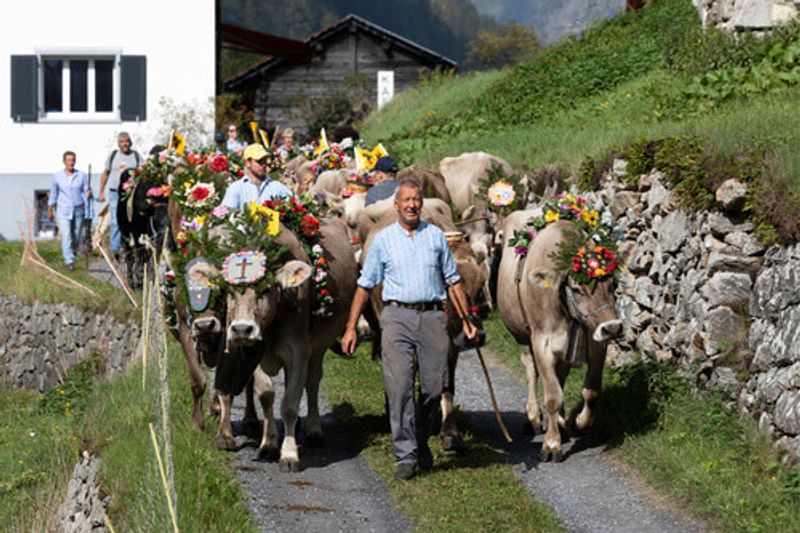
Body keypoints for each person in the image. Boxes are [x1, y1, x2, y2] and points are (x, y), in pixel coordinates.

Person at [341, 178, 478, 480]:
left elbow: (452, 279)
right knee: (400, 386)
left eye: (417, 200)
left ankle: (419, 436)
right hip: (396, 316)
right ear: (397, 204)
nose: (413, 205)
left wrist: (467, 320)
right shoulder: (383, 240)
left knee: (432, 387)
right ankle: (406, 454)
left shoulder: (437, 238)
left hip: (432, 317)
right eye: (407, 200)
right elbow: (365, 285)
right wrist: (351, 327)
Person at [98, 132, 142, 258]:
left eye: (127, 141)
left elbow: (143, 171)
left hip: (132, 194)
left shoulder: (136, 156)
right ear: (118, 143)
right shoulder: (113, 156)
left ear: (130, 142)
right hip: (115, 194)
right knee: (116, 221)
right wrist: (101, 192)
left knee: (133, 220)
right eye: (122, 142)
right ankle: (115, 250)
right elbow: (105, 174)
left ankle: (132, 247)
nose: (125, 144)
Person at [48, 151, 92, 270]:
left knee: (76, 236)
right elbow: (54, 193)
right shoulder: (57, 176)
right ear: (64, 162)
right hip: (63, 210)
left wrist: (89, 193)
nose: (71, 162)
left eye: (73, 160)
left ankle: (71, 253)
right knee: (66, 235)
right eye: (69, 160)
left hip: (78, 210)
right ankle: (69, 261)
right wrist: (50, 209)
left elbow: (86, 189)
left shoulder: (81, 175)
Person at [221, 144, 292, 209]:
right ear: (247, 163)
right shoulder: (236, 188)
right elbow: (226, 213)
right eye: (259, 161)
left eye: (264, 161)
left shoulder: (276, 186)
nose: (264, 164)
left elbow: (295, 203)